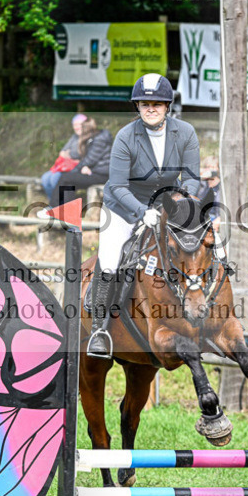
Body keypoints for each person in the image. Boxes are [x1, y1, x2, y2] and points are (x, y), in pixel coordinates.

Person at [86, 73, 201, 357]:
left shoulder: (185, 132)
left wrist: (180, 204)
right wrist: (141, 212)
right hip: (124, 207)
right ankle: (99, 330)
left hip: (168, 208)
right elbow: (117, 185)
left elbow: (192, 178)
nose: (150, 108)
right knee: (111, 260)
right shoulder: (126, 136)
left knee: (195, 248)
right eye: (144, 103)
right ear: (137, 106)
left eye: (157, 103)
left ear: (167, 106)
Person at [43, 117, 112, 210]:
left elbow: (90, 159)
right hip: (93, 172)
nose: (78, 130)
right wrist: (84, 167)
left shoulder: (100, 139)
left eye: (81, 127)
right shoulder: (92, 138)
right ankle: (66, 213)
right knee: (68, 182)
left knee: (66, 178)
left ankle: (53, 208)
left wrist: (83, 168)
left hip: (102, 175)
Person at [40, 113, 88, 201]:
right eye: (74, 125)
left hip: (78, 169)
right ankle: (53, 205)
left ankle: (63, 205)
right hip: (66, 167)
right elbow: (62, 152)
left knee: (55, 178)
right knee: (45, 178)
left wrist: (69, 154)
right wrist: (70, 155)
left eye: (79, 124)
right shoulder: (74, 137)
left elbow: (82, 154)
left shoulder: (89, 138)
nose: (76, 127)